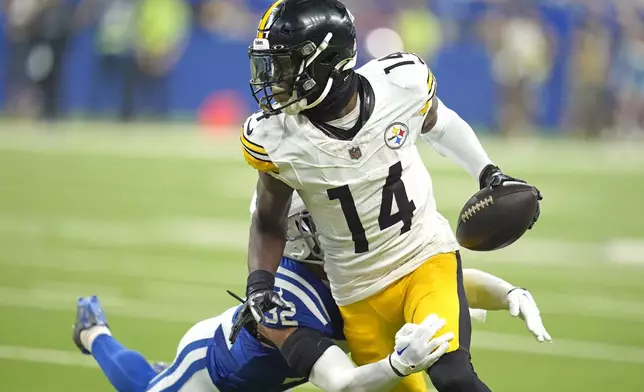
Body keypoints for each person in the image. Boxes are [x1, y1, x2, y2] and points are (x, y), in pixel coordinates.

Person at [235, 1, 543, 391]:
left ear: (326, 61)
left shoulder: (400, 84)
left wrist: (488, 171)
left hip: (425, 259)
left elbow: (441, 123)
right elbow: (267, 219)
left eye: (286, 64)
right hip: (357, 294)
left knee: (454, 376)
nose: (276, 79)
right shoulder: (277, 137)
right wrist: (260, 284)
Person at [71, 195, 550, 392]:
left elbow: (440, 279)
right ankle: (93, 333)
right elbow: (340, 383)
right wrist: (398, 366)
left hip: (278, 379)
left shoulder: (356, 264)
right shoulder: (282, 300)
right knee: (146, 389)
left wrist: (510, 294)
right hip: (213, 374)